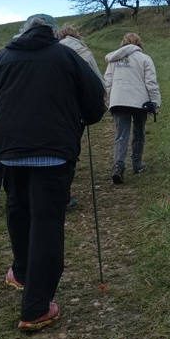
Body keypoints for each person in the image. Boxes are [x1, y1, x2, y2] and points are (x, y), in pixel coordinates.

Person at [0, 14, 106, 332]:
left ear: (23, 32)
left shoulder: (1, 58)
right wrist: (80, 119)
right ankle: (35, 305)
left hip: (10, 153)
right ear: (52, 32)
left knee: (18, 211)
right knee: (46, 221)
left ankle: (22, 275)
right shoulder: (67, 56)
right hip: (54, 154)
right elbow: (95, 101)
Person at [104, 33, 161, 184]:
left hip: (118, 101)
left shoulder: (113, 59)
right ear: (139, 43)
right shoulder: (145, 59)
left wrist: (108, 101)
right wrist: (155, 102)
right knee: (138, 132)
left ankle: (118, 166)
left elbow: (107, 82)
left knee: (121, 134)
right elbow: (151, 82)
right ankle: (137, 164)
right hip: (139, 102)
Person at [58, 25, 102, 209]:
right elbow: (97, 82)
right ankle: (64, 194)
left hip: (57, 109)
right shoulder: (85, 52)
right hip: (77, 112)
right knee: (71, 149)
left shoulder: (54, 52)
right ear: (76, 36)